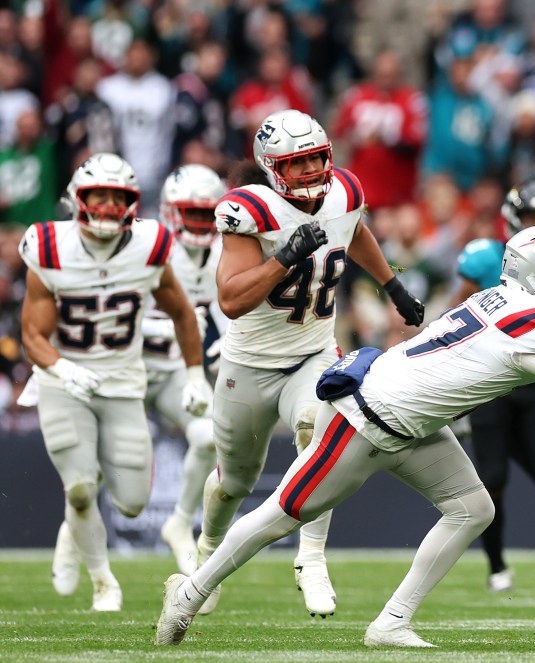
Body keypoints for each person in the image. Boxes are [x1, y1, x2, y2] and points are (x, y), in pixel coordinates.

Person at [155, 224, 535, 648]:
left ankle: (391, 622)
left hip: (409, 420)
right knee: (281, 515)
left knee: (472, 508)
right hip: (365, 416)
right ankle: (189, 593)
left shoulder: (503, 301)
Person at [197, 109, 425, 618]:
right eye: (298, 163)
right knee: (234, 481)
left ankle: (311, 556)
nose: (312, 170)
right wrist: (282, 258)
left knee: (318, 431)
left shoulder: (344, 190)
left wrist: (392, 285)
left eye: (317, 158)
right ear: (273, 168)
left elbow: (353, 230)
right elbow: (231, 299)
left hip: (314, 351)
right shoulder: (248, 209)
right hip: (249, 363)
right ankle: (207, 555)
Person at [18, 152, 209, 611]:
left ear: (131, 203)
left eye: (115, 197)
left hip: (125, 382)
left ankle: (72, 530)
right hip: (64, 381)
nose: (105, 206)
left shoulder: (149, 244)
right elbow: (31, 334)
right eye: (96, 196)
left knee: (132, 503)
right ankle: (104, 580)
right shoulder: (48, 246)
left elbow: (183, 312)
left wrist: (194, 373)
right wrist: (61, 368)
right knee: (81, 488)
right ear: (76, 200)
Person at [454, 180, 535, 592]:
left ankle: (509, 442)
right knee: (492, 481)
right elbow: (458, 312)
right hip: (491, 385)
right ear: (512, 220)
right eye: (532, 218)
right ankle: (497, 567)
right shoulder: (486, 257)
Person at [142, 164, 229, 574]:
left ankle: (180, 521)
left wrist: (229, 343)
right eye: (190, 213)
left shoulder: (223, 253)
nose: (198, 223)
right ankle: (77, 539)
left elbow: (227, 314)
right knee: (102, 472)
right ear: (170, 211)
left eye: (204, 214)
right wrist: (173, 323)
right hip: (128, 366)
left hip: (179, 370)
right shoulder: (146, 244)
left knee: (209, 438)